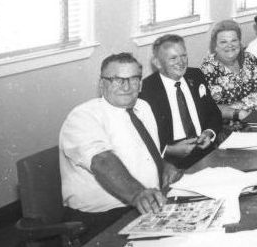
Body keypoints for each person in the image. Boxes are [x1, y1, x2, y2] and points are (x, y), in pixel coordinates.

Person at [60, 52, 181, 237]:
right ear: (102, 84)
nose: (126, 86)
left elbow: (144, 153)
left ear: (140, 84)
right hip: (102, 219)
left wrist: (163, 166)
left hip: (148, 204)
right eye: (117, 80)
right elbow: (102, 161)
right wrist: (138, 194)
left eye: (133, 79)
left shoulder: (144, 107)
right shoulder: (83, 116)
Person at [139, 34, 223, 167]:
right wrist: (169, 150)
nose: (181, 62)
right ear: (157, 62)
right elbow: (141, 137)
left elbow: (214, 113)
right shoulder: (146, 91)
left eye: (183, 56)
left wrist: (209, 132)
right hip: (170, 161)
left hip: (205, 151)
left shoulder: (196, 76)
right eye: (173, 58)